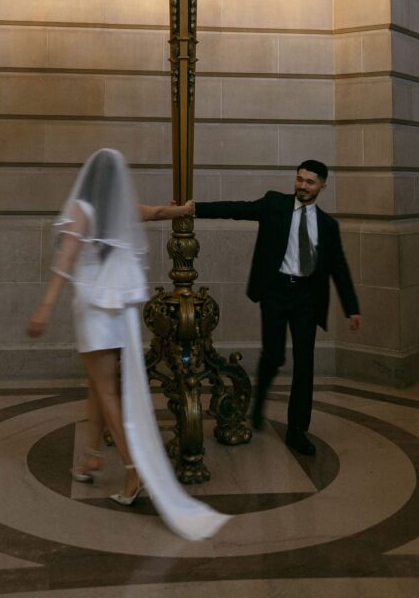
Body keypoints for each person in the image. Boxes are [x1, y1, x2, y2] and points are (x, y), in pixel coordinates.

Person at [27, 148, 229, 541]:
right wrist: (184, 209)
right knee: (97, 385)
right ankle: (91, 458)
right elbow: (155, 212)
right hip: (120, 312)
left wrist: (45, 306)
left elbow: (64, 262)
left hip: (95, 310)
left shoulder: (83, 208)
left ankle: (133, 471)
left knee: (104, 390)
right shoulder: (122, 207)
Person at [189, 159, 360, 457]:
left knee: (304, 364)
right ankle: (258, 404)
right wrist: (195, 208)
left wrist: (352, 308)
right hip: (276, 292)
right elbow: (237, 210)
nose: (302, 186)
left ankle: (297, 430)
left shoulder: (328, 226)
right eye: (299, 179)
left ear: (322, 186)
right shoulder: (274, 204)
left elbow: (339, 268)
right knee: (274, 354)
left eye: (309, 182)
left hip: (307, 298)